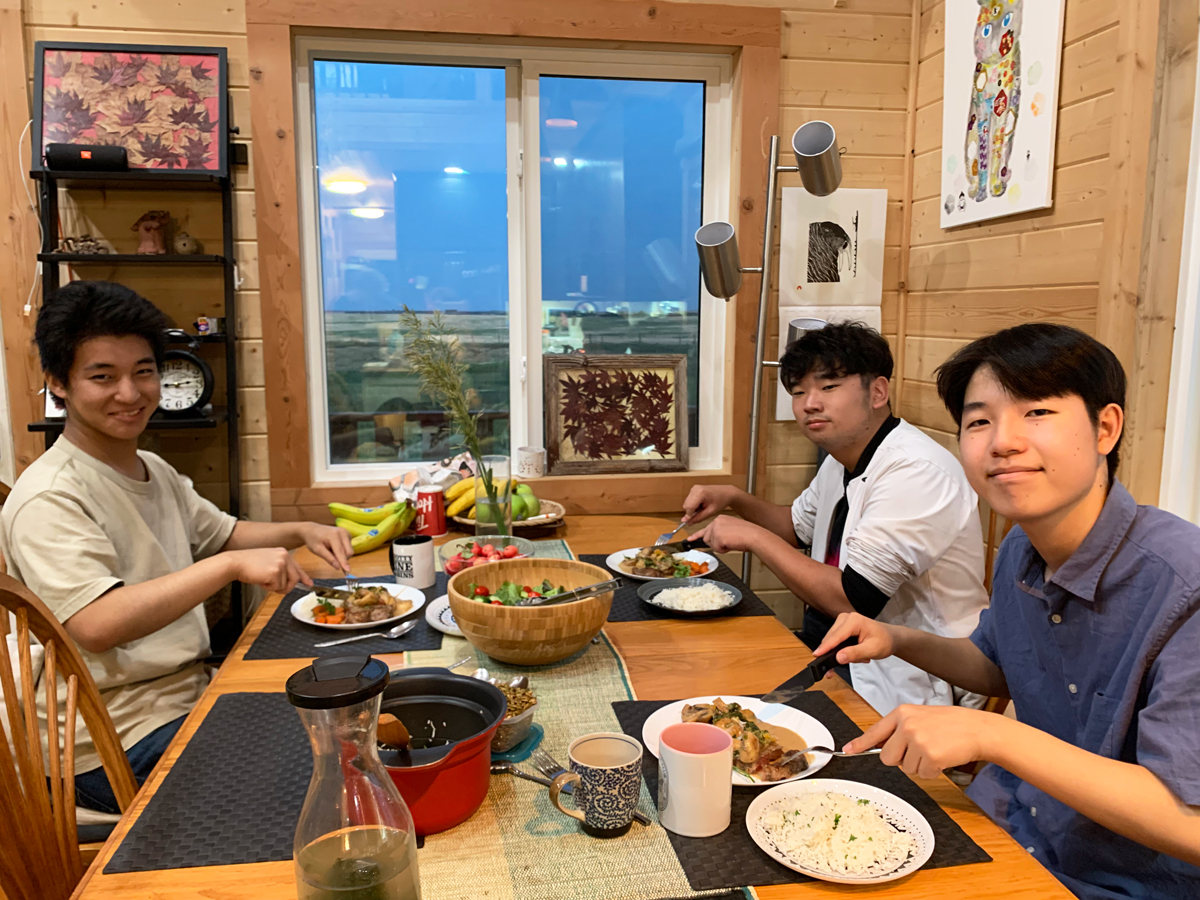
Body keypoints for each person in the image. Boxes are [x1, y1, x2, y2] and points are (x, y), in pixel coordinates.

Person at [815, 324, 1200, 898]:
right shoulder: (1023, 546)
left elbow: (1191, 824)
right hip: (1007, 824)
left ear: (1105, 428)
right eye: (979, 421)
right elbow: (996, 665)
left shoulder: (1184, 586)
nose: (1003, 442)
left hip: (1117, 881)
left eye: (1037, 412)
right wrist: (895, 639)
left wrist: (991, 735)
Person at [0, 281, 353, 814]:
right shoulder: (50, 496)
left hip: (184, 696)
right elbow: (96, 623)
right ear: (58, 383)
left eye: (143, 372)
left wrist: (300, 530)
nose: (130, 393)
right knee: (313, 769)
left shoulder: (151, 468)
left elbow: (223, 533)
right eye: (103, 376)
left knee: (341, 715)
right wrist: (228, 567)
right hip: (108, 742)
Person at [684, 322, 988, 714]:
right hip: (828, 650)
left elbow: (853, 599)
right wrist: (733, 498)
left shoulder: (916, 470)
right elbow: (795, 528)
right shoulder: (843, 456)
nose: (810, 403)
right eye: (798, 392)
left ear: (877, 392)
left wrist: (754, 538)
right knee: (701, 674)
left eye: (828, 387)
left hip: (906, 681)